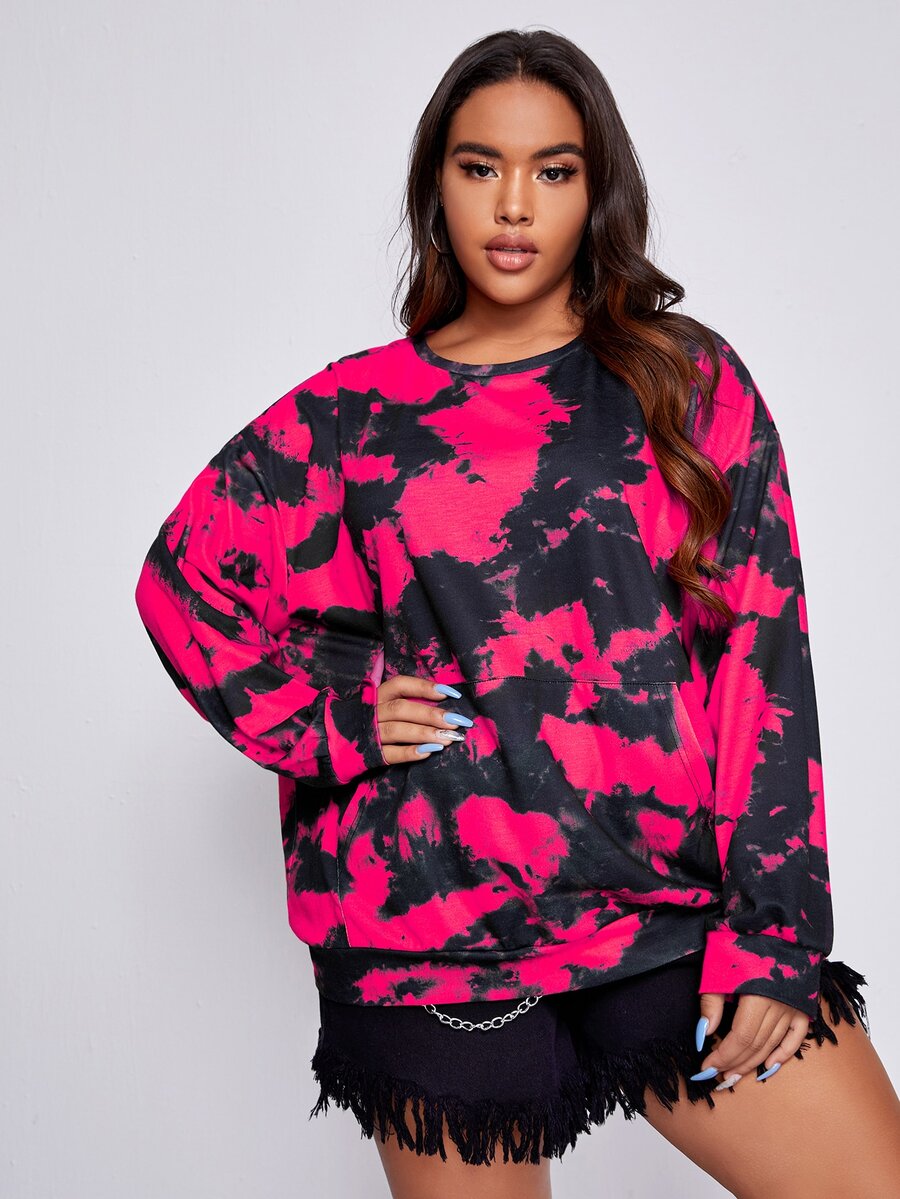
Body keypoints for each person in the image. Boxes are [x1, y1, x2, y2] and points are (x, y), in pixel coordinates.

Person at [133, 26, 900, 1199]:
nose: (513, 204)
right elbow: (184, 585)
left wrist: (776, 929)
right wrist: (336, 717)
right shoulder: (350, 414)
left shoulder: (681, 382)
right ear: (436, 186)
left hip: (666, 910)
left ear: (597, 193)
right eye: (480, 164)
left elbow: (762, 655)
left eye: (554, 169)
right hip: (428, 934)